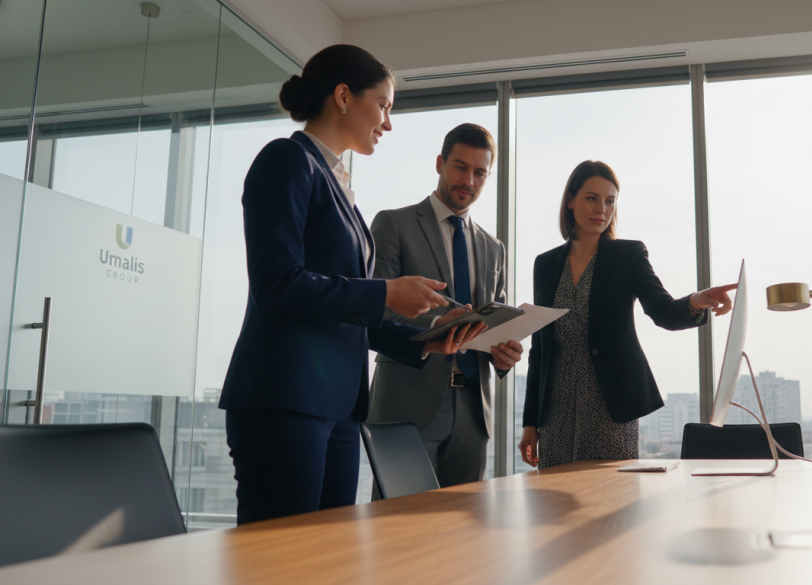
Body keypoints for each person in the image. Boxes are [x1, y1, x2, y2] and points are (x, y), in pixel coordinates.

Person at [218, 45, 484, 525]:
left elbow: (347, 315)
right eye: (383, 105)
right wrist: (386, 293)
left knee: (328, 559)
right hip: (285, 399)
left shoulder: (338, 183)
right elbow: (277, 285)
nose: (387, 122)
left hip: (339, 407)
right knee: (280, 563)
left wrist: (427, 340)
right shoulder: (286, 161)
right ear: (343, 96)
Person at [517, 161, 737, 469]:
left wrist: (697, 301)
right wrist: (531, 422)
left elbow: (663, 311)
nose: (602, 209)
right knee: (554, 504)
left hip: (609, 406)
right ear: (570, 200)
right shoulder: (545, 263)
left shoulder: (628, 255)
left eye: (610, 201)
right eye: (592, 198)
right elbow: (539, 349)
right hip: (556, 409)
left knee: (609, 501)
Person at [368, 123, 523, 487]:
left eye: (480, 172)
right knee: (400, 529)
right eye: (460, 166)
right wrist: (440, 325)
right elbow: (374, 309)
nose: (468, 179)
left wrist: (504, 354)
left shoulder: (493, 247)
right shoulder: (394, 224)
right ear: (440, 163)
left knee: (465, 534)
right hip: (408, 404)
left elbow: (491, 322)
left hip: (473, 411)